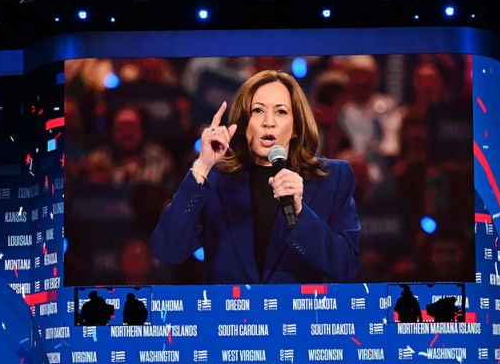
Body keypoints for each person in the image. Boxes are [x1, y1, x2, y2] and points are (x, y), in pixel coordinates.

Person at [151, 70, 360, 283]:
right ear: (243, 123)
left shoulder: (332, 178)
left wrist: (300, 214)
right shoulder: (214, 180)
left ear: (296, 126)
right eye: (258, 111)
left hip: (298, 314)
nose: (268, 122)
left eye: (280, 112)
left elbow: (346, 267)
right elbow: (168, 250)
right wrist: (202, 166)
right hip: (230, 315)